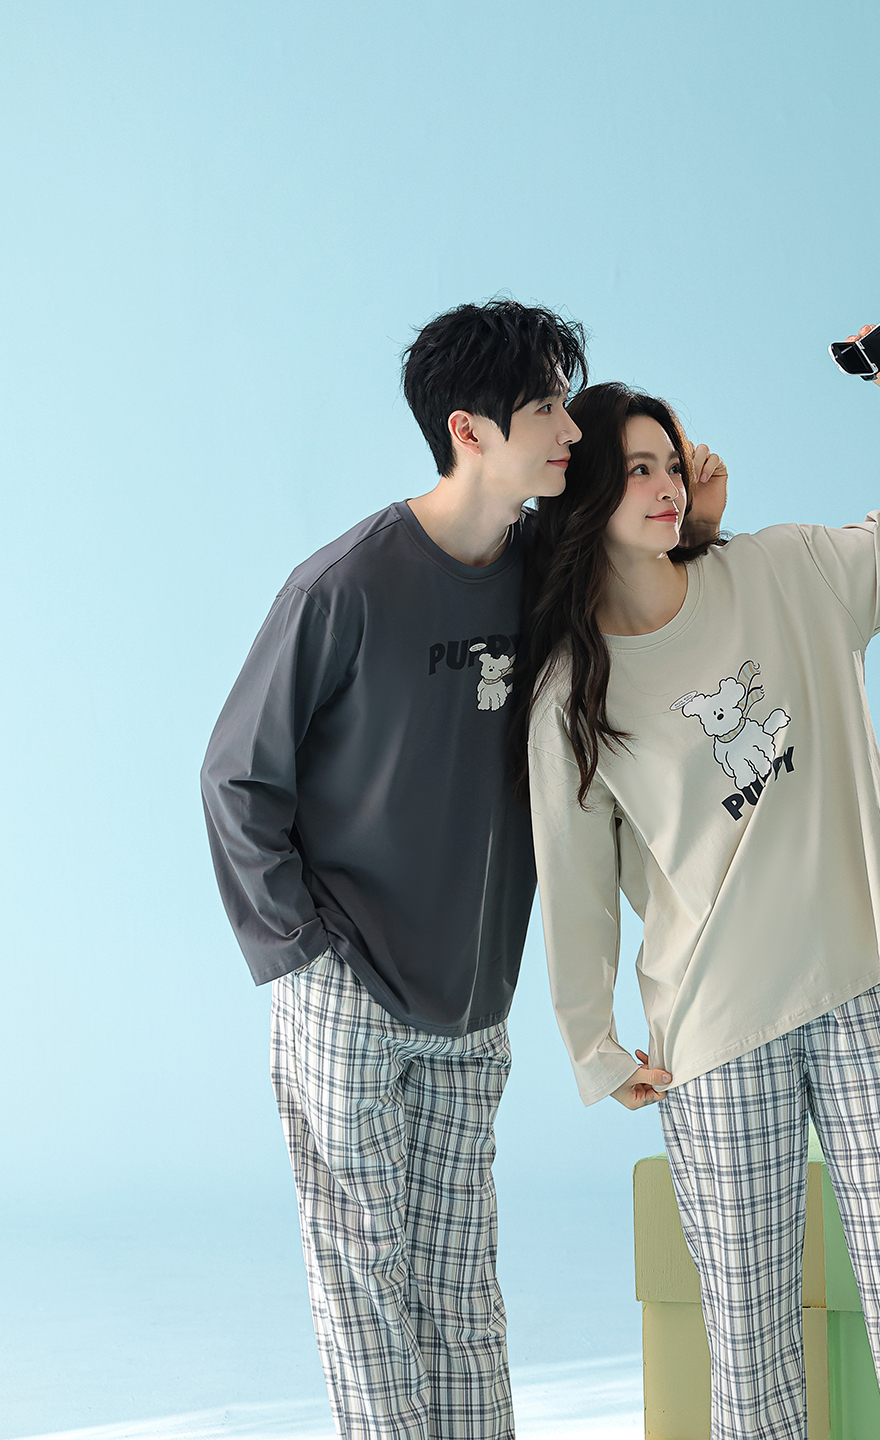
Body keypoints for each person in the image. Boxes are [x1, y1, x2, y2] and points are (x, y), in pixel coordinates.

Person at [199, 298, 728, 1440]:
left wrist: (696, 522)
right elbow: (237, 777)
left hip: (474, 1000)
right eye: (545, 408)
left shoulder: (547, 570)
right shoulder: (343, 587)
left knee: (461, 1297)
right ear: (470, 431)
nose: (570, 432)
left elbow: (655, 604)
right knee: (367, 1289)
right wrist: (305, 958)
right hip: (347, 991)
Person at [519, 327, 880, 1440]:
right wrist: (593, 1043)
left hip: (866, 977)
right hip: (716, 1026)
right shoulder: (571, 693)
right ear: (586, 494)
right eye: (634, 468)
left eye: (670, 463)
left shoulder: (785, 572)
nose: (664, 484)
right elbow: (572, 880)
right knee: (749, 1338)